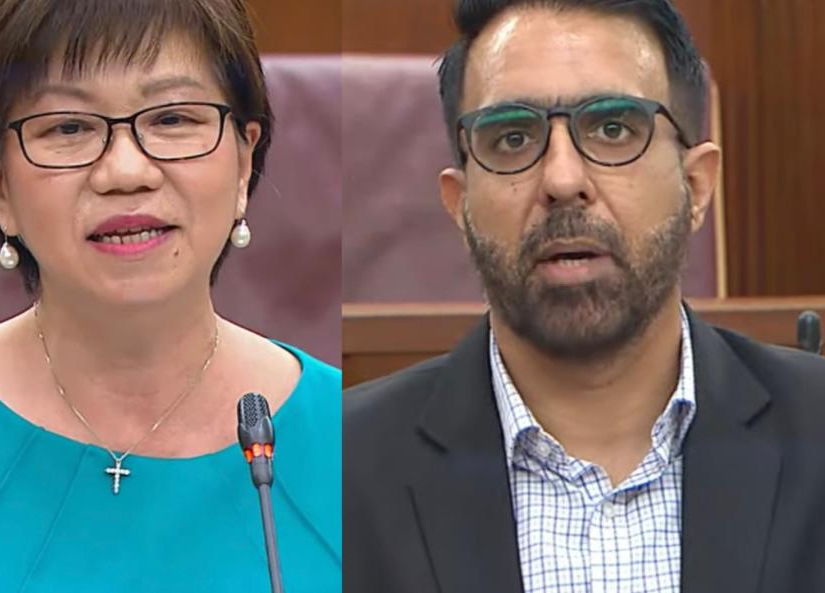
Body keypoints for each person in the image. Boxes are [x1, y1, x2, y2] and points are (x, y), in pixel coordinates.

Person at [344, 1, 825, 592]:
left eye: (614, 128)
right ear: (459, 206)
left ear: (696, 186)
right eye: (513, 137)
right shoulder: (336, 474)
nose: (563, 180)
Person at [0, 1, 341, 591]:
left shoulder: (359, 444)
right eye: (68, 127)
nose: (125, 171)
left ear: (243, 161)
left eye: (172, 119)